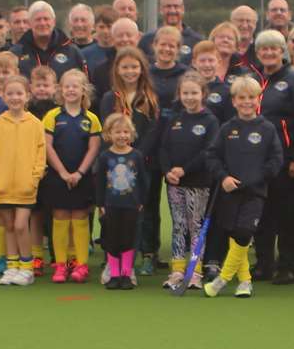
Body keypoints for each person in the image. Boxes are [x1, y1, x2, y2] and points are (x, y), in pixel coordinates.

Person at [201, 76, 284, 299]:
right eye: (242, 98)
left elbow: (276, 160)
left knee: (245, 232)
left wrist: (256, 178)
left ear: (258, 100)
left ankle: (223, 279)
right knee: (236, 235)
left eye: (251, 97)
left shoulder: (267, 129)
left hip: (255, 193)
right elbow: (212, 156)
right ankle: (245, 281)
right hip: (230, 193)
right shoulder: (228, 128)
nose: (247, 102)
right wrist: (223, 178)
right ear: (234, 101)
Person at [248, 30, 294, 285]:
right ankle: (263, 263)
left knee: (289, 214)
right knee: (262, 215)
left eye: (274, 48)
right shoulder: (253, 80)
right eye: (264, 49)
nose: (269, 53)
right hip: (258, 162)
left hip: (287, 160)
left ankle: (288, 265)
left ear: (282, 51)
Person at [101, 45, 164, 275]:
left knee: (147, 209)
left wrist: (136, 155)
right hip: (115, 166)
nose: (130, 71)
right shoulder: (110, 98)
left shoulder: (150, 98)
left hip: (144, 163)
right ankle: (113, 256)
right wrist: (119, 156)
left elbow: (154, 131)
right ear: (117, 69)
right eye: (125, 66)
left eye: (134, 67)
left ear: (142, 69)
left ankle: (148, 254)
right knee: (114, 212)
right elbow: (106, 129)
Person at [159, 73, 219, 290]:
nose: (190, 97)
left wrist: (184, 169)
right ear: (179, 94)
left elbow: (208, 152)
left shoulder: (210, 121)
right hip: (175, 183)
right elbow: (164, 148)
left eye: (194, 92)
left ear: (203, 94)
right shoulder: (175, 119)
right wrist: (168, 171)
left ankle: (195, 271)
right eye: (185, 93)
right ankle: (177, 270)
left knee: (195, 226)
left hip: (199, 182)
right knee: (178, 225)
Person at [40, 70, 101, 283]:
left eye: (76, 86)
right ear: (60, 90)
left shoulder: (91, 119)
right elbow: (47, 146)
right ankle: (61, 265)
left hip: (82, 177)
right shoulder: (52, 116)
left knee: (80, 217)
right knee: (60, 217)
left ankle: (81, 264)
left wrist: (80, 173)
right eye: (67, 86)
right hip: (59, 177)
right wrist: (64, 173)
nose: (71, 90)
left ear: (84, 90)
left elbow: (93, 148)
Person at [0, 75, 46, 285]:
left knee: (21, 225)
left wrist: (34, 177)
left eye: (19, 93)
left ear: (27, 96)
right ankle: (12, 267)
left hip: (26, 186)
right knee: (8, 225)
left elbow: (41, 153)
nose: (15, 97)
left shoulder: (35, 123)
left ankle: (27, 267)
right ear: (3, 95)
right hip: (3, 186)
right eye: (10, 93)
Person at [94, 114, 149, 289]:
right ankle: (114, 274)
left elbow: (143, 180)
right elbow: (100, 183)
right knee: (112, 240)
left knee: (128, 239)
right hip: (111, 206)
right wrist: (100, 204)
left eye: (126, 132)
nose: (122, 136)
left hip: (131, 205)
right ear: (109, 134)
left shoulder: (137, 155)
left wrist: (141, 201)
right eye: (117, 132)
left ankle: (126, 273)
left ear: (131, 134)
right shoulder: (105, 157)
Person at [15, 1, 86, 78]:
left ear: (54, 22)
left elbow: (85, 84)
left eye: (46, 19)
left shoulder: (72, 52)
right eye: (38, 19)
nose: (42, 23)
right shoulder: (17, 52)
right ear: (30, 23)